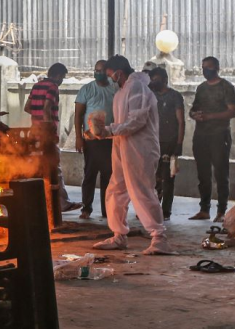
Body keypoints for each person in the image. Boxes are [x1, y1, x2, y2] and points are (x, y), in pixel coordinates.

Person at [92, 56, 170, 254]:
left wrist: (110, 130)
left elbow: (137, 121)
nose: (110, 78)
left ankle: (159, 238)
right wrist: (105, 130)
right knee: (115, 191)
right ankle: (119, 235)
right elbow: (123, 123)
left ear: (119, 71)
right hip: (123, 147)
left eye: (111, 74)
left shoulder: (137, 88)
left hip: (141, 148)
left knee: (142, 191)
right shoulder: (121, 92)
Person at [188, 56, 235, 222]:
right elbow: (193, 109)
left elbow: (233, 111)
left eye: (208, 67)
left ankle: (222, 210)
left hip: (219, 135)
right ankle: (204, 209)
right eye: (203, 67)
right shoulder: (201, 88)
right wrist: (195, 115)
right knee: (203, 174)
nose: (205, 71)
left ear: (216, 68)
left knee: (221, 173)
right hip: (201, 135)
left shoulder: (226, 87)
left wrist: (210, 116)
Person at [26, 63, 80, 210]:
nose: (62, 80)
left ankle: (39, 202)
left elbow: (27, 107)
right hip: (46, 133)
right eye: (62, 77)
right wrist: (48, 127)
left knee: (37, 167)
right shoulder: (53, 87)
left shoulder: (37, 86)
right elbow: (47, 107)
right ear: (57, 75)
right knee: (54, 167)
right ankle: (62, 203)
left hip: (34, 132)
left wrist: (37, 120)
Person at [73, 60, 116, 219]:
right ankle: (86, 207)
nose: (98, 73)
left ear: (108, 71)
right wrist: (78, 137)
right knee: (90, 173)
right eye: (96, 70)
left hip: (109, 138)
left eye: (102, 70)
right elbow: (78, 115)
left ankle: (107, 209)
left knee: (108, 174)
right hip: (90, 140)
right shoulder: (87, 89)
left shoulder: (115, 88)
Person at [147, 67, 184, 219]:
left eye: (156, 79)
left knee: (168, 178)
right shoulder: (150, 96)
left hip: (169, 142)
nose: (154, 82)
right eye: (152, 79)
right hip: (153, 142)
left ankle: (166, 211)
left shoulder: (175, 96)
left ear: (165, 79)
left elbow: (181, 121)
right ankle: (153, 209)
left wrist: (179, 143)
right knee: (152, 178)